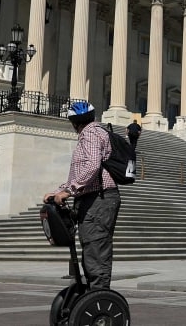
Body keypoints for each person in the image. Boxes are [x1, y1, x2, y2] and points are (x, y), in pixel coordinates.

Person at [43, 102, 121, 290]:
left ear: (74, 122)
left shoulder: (91, 134)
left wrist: (69, 191)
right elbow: (83, 171)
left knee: (95, 247)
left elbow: (93, 165)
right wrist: (58, 191)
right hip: (93, 197)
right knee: (91, 247)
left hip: (99, 199)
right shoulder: (94, 133)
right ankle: (94, 293)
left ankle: (100, 296)